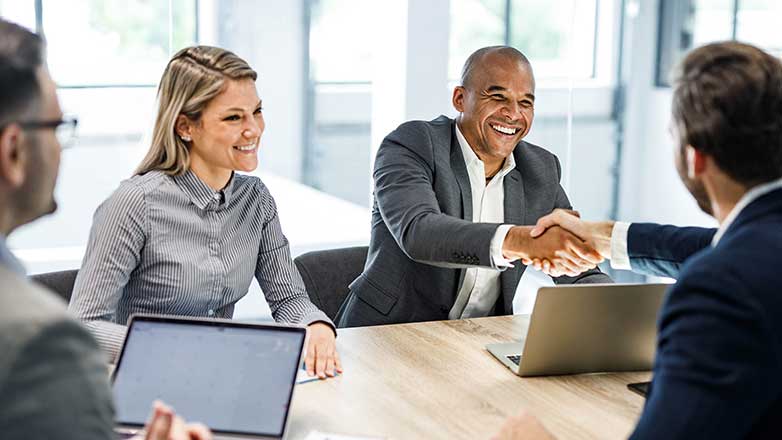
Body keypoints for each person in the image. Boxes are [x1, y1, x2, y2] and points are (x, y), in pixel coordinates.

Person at [495, 41, 782, 439]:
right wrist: (601, 237)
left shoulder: (720, 290)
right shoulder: (758, 249)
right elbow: (721, 246)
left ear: (693, 156)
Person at [68, 46, 341, 378]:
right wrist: (181, 349)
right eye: (233, 117)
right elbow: (84, 327)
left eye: (256, 111)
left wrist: (315, 326)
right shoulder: (135, 204)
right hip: (142, 380)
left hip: (216, 376)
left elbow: (289, 299)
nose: (253, 129)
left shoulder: (256, 200)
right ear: (185, 127)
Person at [0, 18, 210, 440]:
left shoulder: (255, 200)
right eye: (58, 127)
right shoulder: (40, 342)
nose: (61, 148)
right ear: (14, 150)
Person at [336, 46, 609, 328]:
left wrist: (622, 311)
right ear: (459, 99)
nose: (514, 114)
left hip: (477, 342)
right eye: (498, 97)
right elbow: (419, 231)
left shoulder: (540, 169)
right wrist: (520, 242)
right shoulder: (413, 144)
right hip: (387, 336)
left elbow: (576, 266)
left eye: (525, 103)